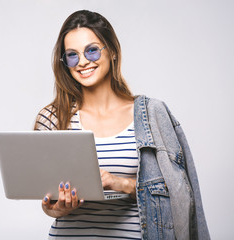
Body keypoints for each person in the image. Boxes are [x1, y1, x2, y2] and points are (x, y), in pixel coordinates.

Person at [34, 10, 210, 240]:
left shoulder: (151, 115)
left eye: (92, 50)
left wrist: (121, 184)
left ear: (113, 51)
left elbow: (181, 196)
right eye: (72, 55)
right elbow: (47, 202)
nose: (83, 61)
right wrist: (57, 208)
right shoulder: (53, 118)